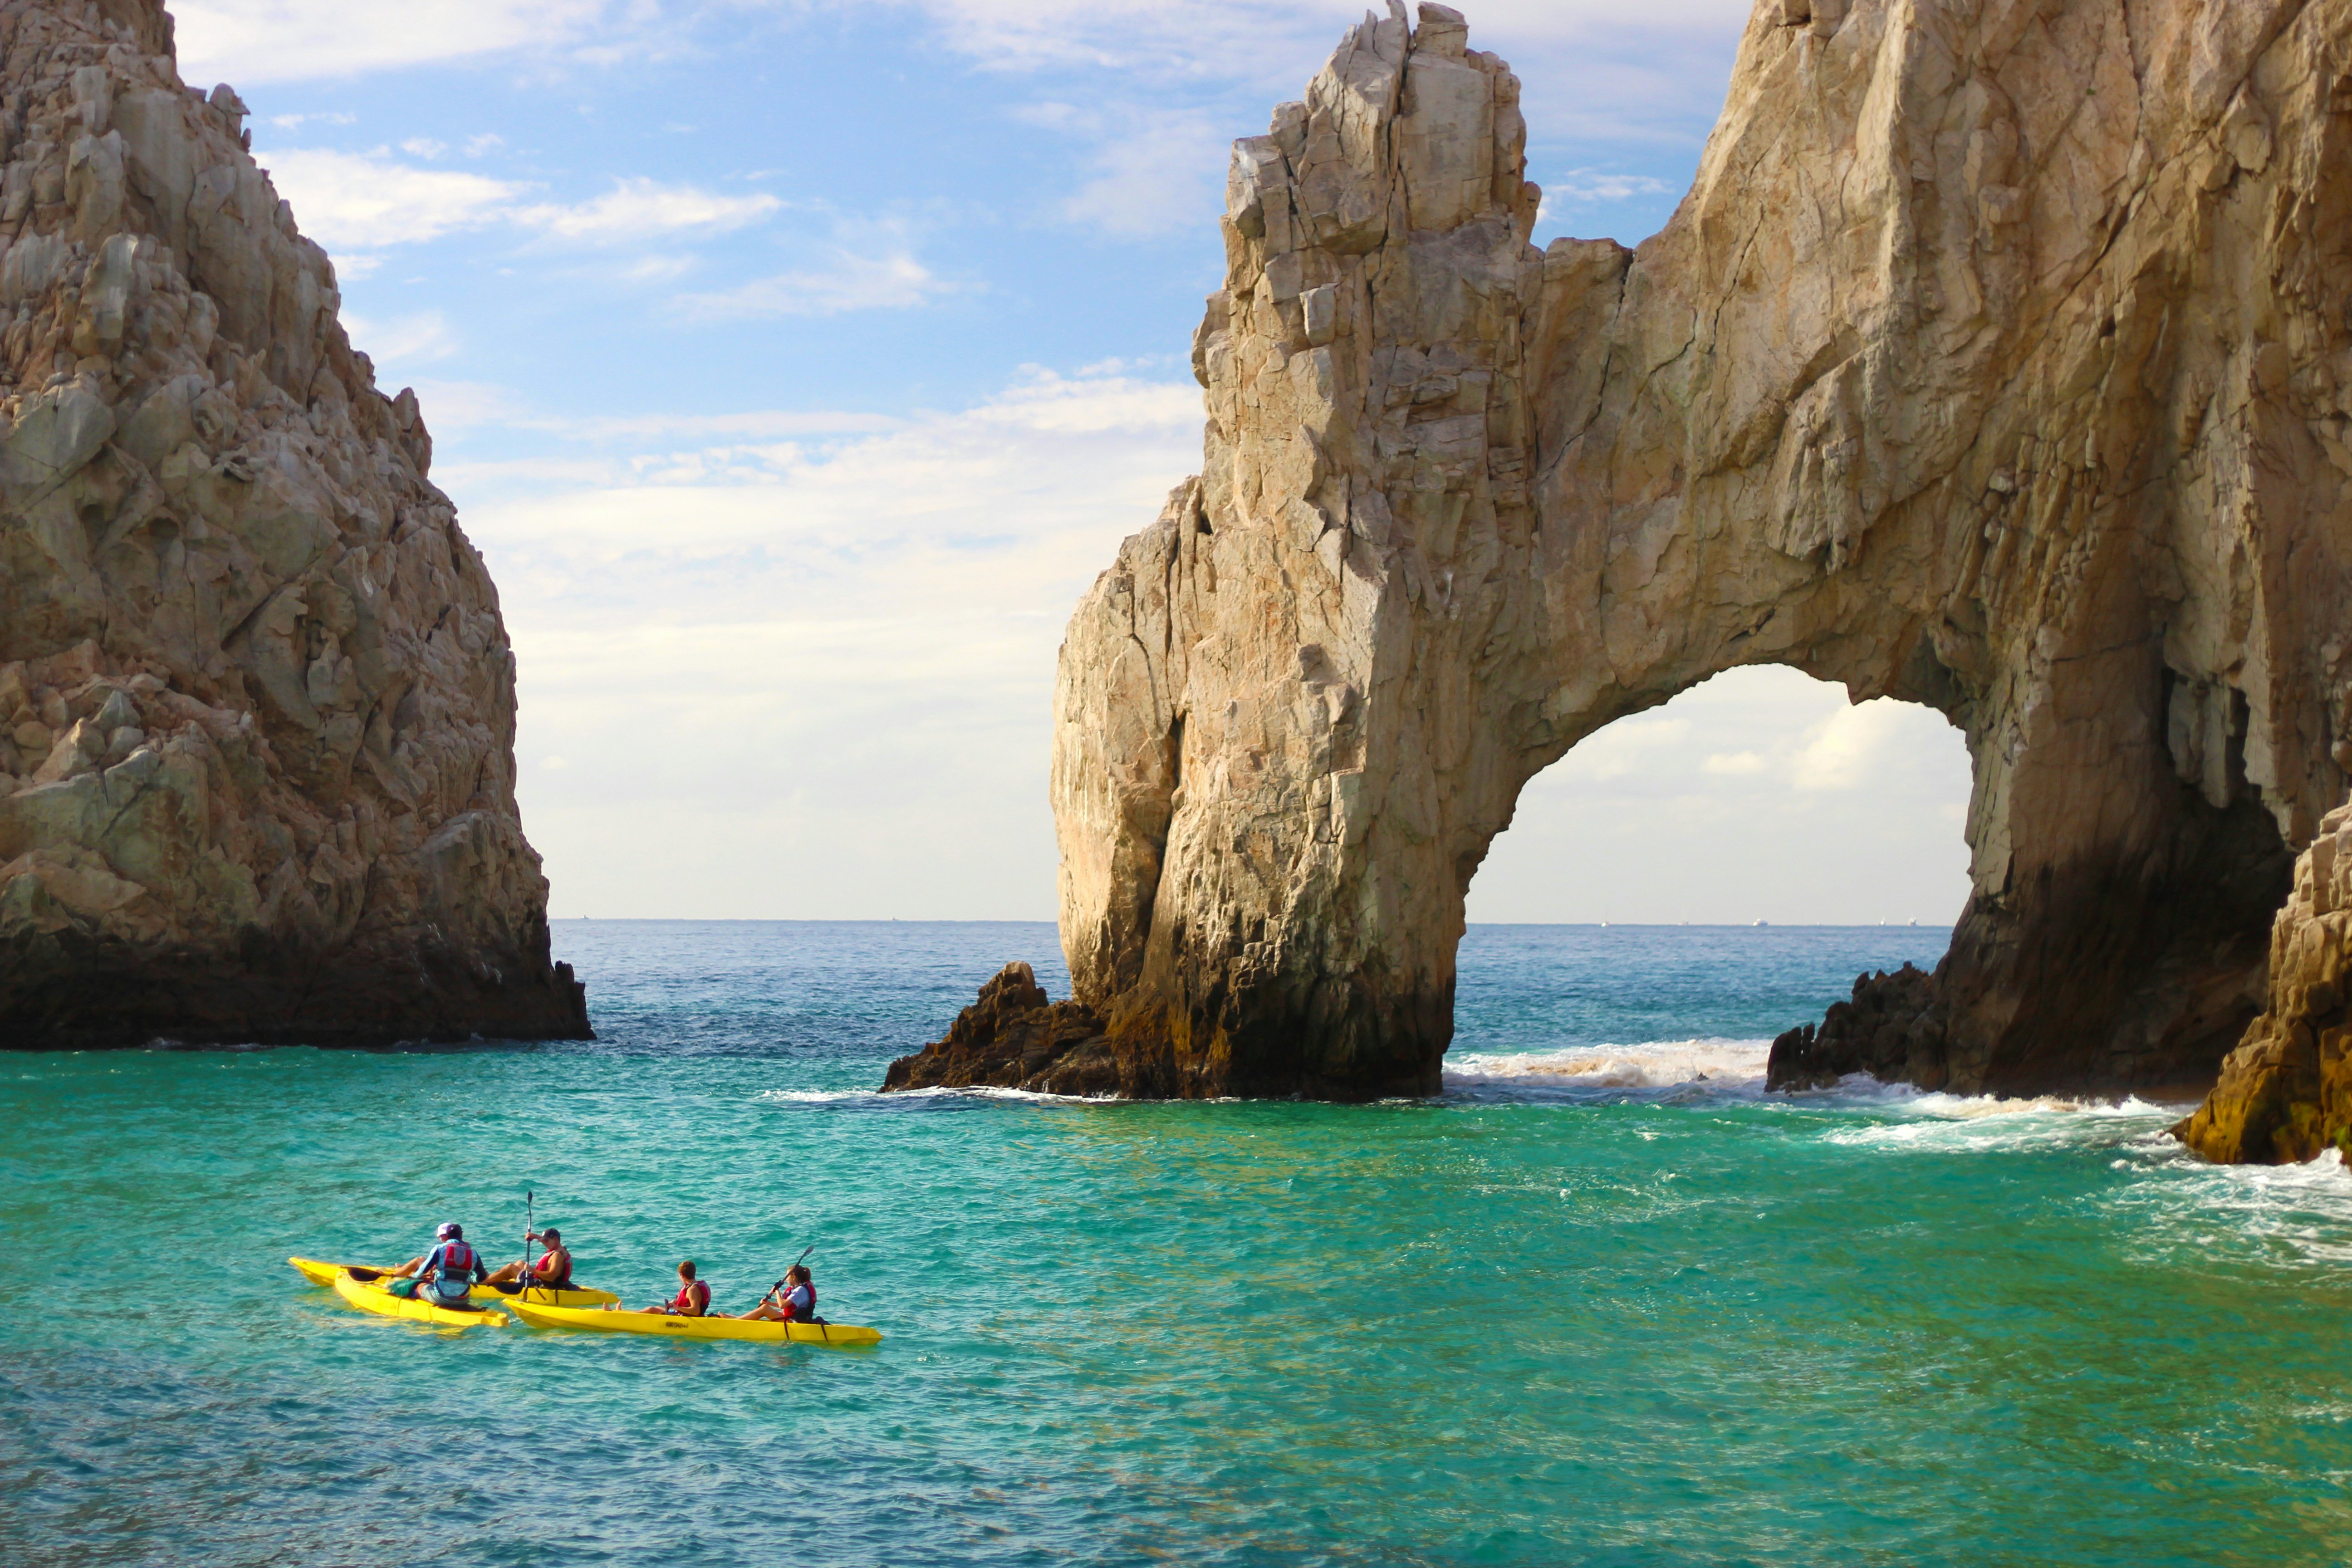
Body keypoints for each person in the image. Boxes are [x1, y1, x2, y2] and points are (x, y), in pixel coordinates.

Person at [402, 1222, 488, 1308]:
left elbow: (423, 1270)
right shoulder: (473, 1254)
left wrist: (413, 1277)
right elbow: (482, 1277)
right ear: (461, 1236)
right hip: (463, 1300)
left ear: (447, 1236)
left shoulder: (440, 1249)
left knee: (419, 1286)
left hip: (441, 1298)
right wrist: (472, 1279)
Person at [484, 1228, 571, 1291]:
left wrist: (533, 1270)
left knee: (510, 1268)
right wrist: (535, 1237)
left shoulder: (557, 1256)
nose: (545, 1244)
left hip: (544, 1286)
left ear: (555, 1240)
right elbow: (547, 1241)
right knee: (520, 1263)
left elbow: (552, 1277)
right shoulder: (561, 1249)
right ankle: (492, 1279)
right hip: (546, 1282)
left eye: (547, 1241)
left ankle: (483, 1284)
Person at [735, 1263, 819, 1324]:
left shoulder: (800, 1290)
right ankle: (737, 1319)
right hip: (793, 1321)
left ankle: (737, 1322)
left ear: (793, 1276)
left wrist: (777, 1292)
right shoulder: (800, 1289)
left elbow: (782, 1305)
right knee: (766, 1307)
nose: (786, 1280)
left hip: (794, 1323)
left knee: (765, 1309)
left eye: (787, 1277)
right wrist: (769, 1303)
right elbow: (786, 1306)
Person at [635, 1259, 710, 1316]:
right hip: (687, 1315)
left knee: (651, 1309)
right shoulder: (700, 1285)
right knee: (658, 1308)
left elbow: (696, 1311)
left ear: (682, 1275)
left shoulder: (692, 1290)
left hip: (687, 1318)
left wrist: (677, 1307)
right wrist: (677, 1303)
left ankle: (629, 1317)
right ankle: (631, 1315)